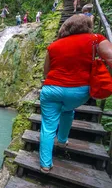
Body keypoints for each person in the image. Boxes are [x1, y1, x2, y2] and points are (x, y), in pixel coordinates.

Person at [39, 14, 112, 173]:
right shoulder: (95, 39)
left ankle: (45, 164)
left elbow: (45, 73)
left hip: (51, 90)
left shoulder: (54, 45)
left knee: (48, 125)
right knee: (68, 110)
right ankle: (63, 141)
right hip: (78, 92)